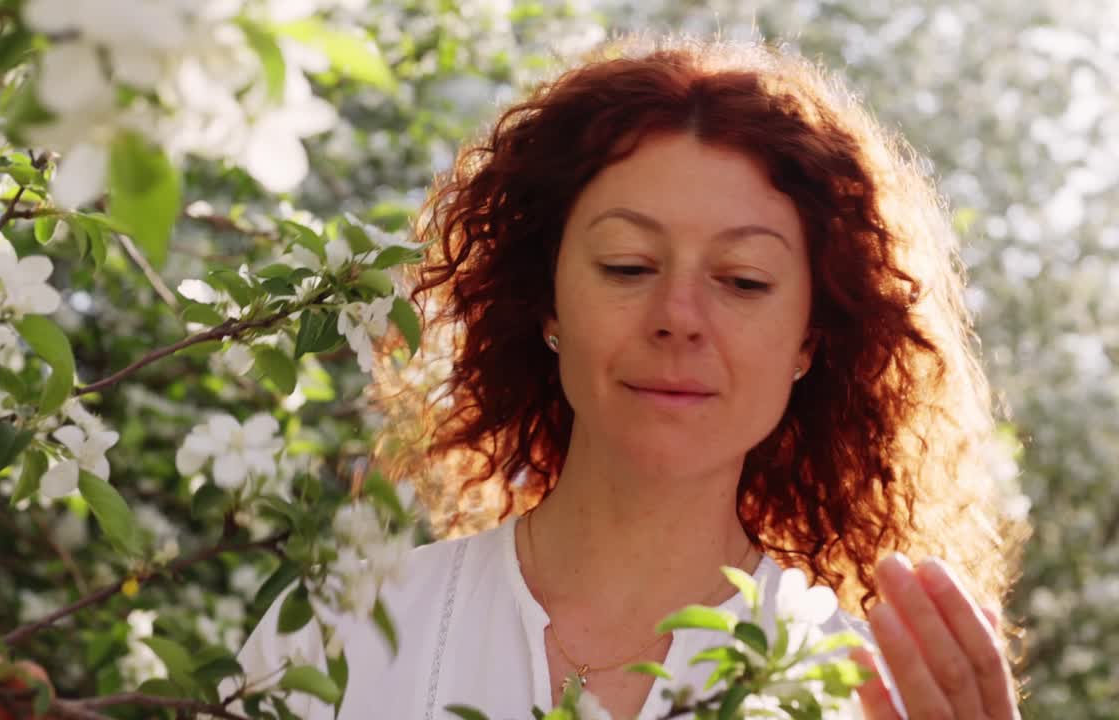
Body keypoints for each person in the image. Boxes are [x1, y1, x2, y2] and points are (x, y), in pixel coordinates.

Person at [231, 35, 1028, 719]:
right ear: (545, 301)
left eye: (743, 280)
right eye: (628, 265)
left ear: (810, 342)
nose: (679, 316)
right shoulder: (333, 631)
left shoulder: (861, 692)